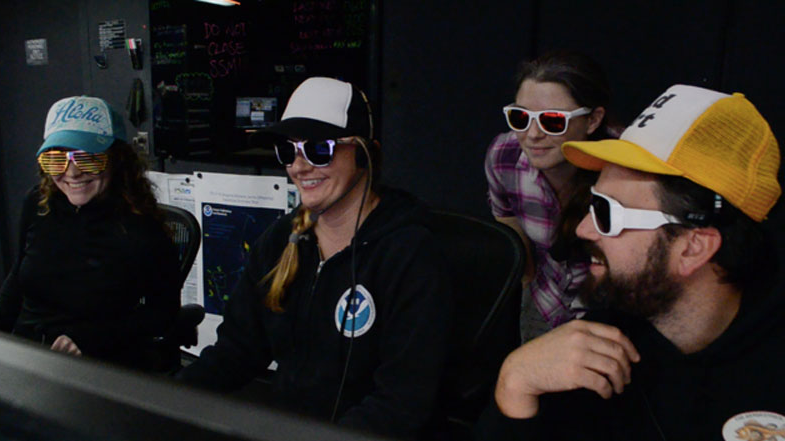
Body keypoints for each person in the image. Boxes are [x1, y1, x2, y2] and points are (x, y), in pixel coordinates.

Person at [478, 84, 785, 440]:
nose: (583, 229)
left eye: (608, 213)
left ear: (693, 248)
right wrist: (514, 385)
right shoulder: (598, 344)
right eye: (592, 202)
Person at [177, 77, 451, 438]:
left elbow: (403, 401)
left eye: (319, 149)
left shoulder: (409, 252)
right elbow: (237, 351)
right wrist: (166, 400)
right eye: (288, 151)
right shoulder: (279, 241)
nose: (299, 167)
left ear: (365, 153)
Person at [0, 96, 181, 370]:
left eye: (88, 158)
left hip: (97, 364)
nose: (72, 172)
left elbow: (163, 314)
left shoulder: (142, 230)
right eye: (56, 160)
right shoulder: (38, 203)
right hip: (26, 355)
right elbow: (17, 277)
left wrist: (89, 340)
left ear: (117, 160)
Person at [484, 50, 619, 342]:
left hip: (612, 312)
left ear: (593, 120)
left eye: (552, 121)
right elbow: (505, 219)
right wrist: (528, 278)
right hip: (542, 306)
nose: (532, 134)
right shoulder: (504, 155)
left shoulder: (624, 167)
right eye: (520, 117)